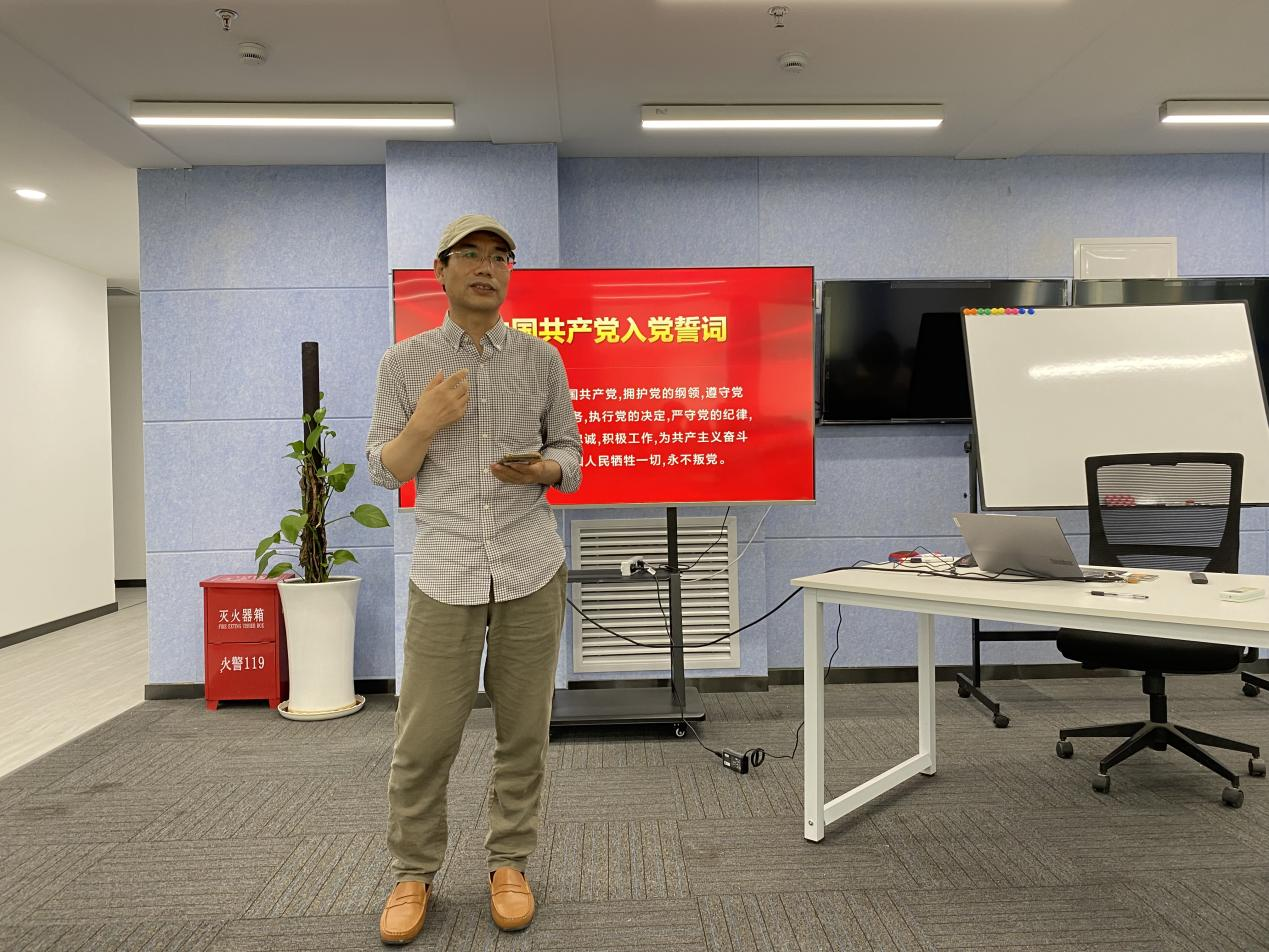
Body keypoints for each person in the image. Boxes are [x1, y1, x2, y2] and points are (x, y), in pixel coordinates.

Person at [365, 214, 581, 945]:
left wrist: (543, 468)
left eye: (499, 257)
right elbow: (385, 468)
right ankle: (412, 871)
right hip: (445, 572)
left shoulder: (541, 359)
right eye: (471, 255)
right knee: (423, 739)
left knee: (524, 733)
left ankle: (509, 862)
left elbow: (572, 455)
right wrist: (424, 422)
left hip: (529, 567)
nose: (486, 267)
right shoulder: (404, 363)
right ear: (441, 269)